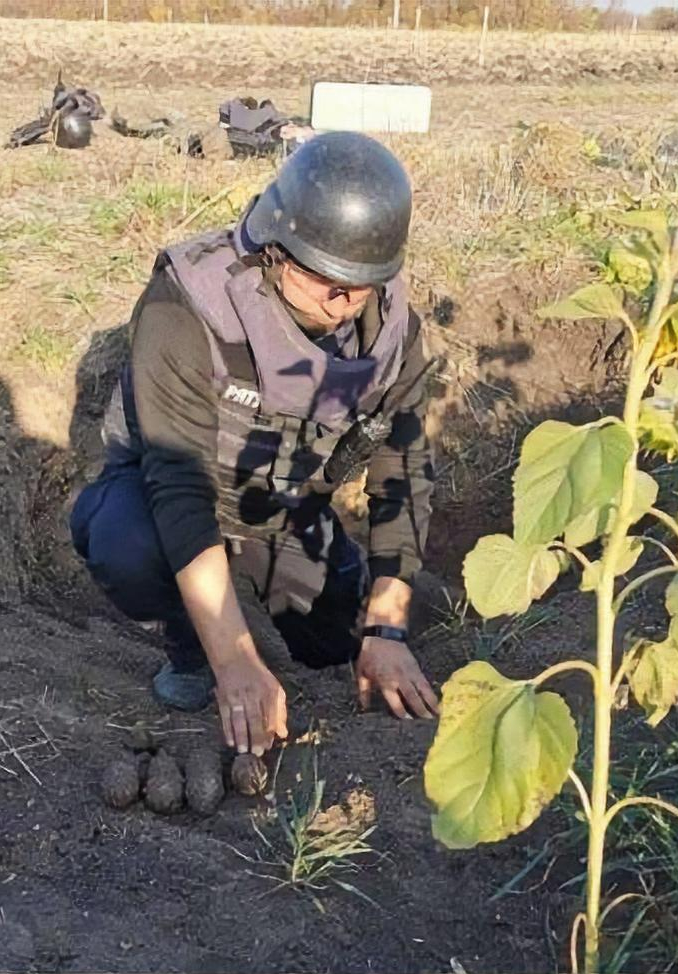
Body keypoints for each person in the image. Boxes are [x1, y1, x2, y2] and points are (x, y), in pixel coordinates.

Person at [71, 131, 439, 758]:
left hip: (282, 507)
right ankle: (192, 641)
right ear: (277, 249)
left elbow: (400, 467)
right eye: (327, 281)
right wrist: (234, 659)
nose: (346, 303)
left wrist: (387, 626)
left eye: (364, 284)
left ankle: (278, 589)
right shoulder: (189, 306)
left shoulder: (393, 333)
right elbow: (179, 485)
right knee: (125, 543)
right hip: (175, 495)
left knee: (331, 640)